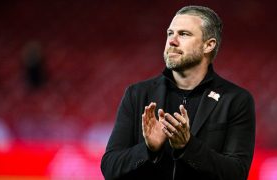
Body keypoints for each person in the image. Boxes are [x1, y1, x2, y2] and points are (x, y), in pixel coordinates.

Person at [101, 5, 255, 180]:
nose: (172, 41)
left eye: (183, 34)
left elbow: (237, 173)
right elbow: (110, 168)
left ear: (208, 45)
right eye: (170, 33)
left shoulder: (235, 100)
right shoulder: (137, 94)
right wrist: (148, 149)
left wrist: (187, 147)